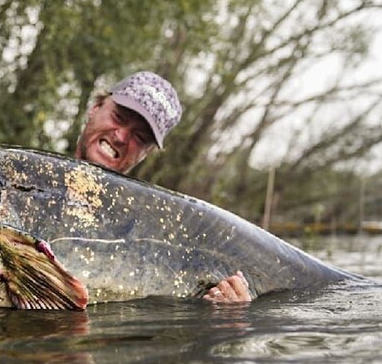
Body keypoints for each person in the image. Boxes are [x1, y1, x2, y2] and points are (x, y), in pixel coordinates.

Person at [74, 71, 251, 304]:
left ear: (147, 152)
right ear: (95, 107)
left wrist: (230, 313)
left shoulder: (156, 226)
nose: (121, 136)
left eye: (140, 136)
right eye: (118, 117)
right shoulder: (21, 175)